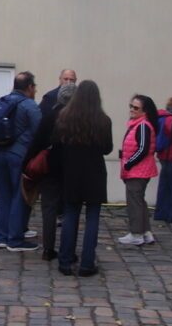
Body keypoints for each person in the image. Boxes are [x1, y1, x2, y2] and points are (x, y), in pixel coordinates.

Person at [51, 79, 113, 277]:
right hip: (94, 172)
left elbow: (56, 144)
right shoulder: (103, 120)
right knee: (92, 217)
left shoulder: (65, 118)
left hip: (72, 172)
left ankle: (66, 261)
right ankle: (87, 263)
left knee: (70, 215)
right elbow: (107, 148)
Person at [26, 82, 76, 261]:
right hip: (72, 170)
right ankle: (67, 249)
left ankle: (48, 248)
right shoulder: (80, 119)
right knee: (70, 209)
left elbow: (37, 142)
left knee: (49, 209)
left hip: (51, 168)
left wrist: (26, 164)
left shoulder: (50, 116)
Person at [0, 71, 42, 251]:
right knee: (18, 195)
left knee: (4, 195)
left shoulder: (2, 101)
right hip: (18, 156)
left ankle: (1, 236)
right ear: (29, 88)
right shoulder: (30, 105)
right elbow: (40, 132)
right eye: (34, 87)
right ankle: (15, 239)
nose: (35, 90)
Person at [117, 95, 159, 246]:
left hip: (138, 170)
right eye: (131, 106)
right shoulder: (139, 124)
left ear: (144, 111)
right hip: (139, 169)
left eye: (136, 108)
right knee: (139, 201)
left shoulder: (142, 125)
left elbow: (143, 148)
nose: (132, 110)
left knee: (134, 201)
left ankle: (136, 233)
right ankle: (145, 232)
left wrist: (129, 163)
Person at [153, 94, 172, 223]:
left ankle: (161, 212)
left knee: (164, 185)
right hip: (171, 155)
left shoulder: (161, 116)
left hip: (163, 154)